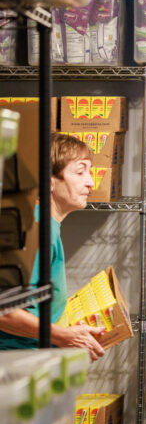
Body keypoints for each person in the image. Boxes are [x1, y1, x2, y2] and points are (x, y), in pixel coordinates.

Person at [0, 133, 104, 359]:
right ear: (48, 181)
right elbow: (4, 311)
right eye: (80, 171)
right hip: (12, 367)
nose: (90, 182)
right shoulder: (38, 230)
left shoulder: (46, 226)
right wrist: (63, 336)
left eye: (89, 170)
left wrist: (64, 333)